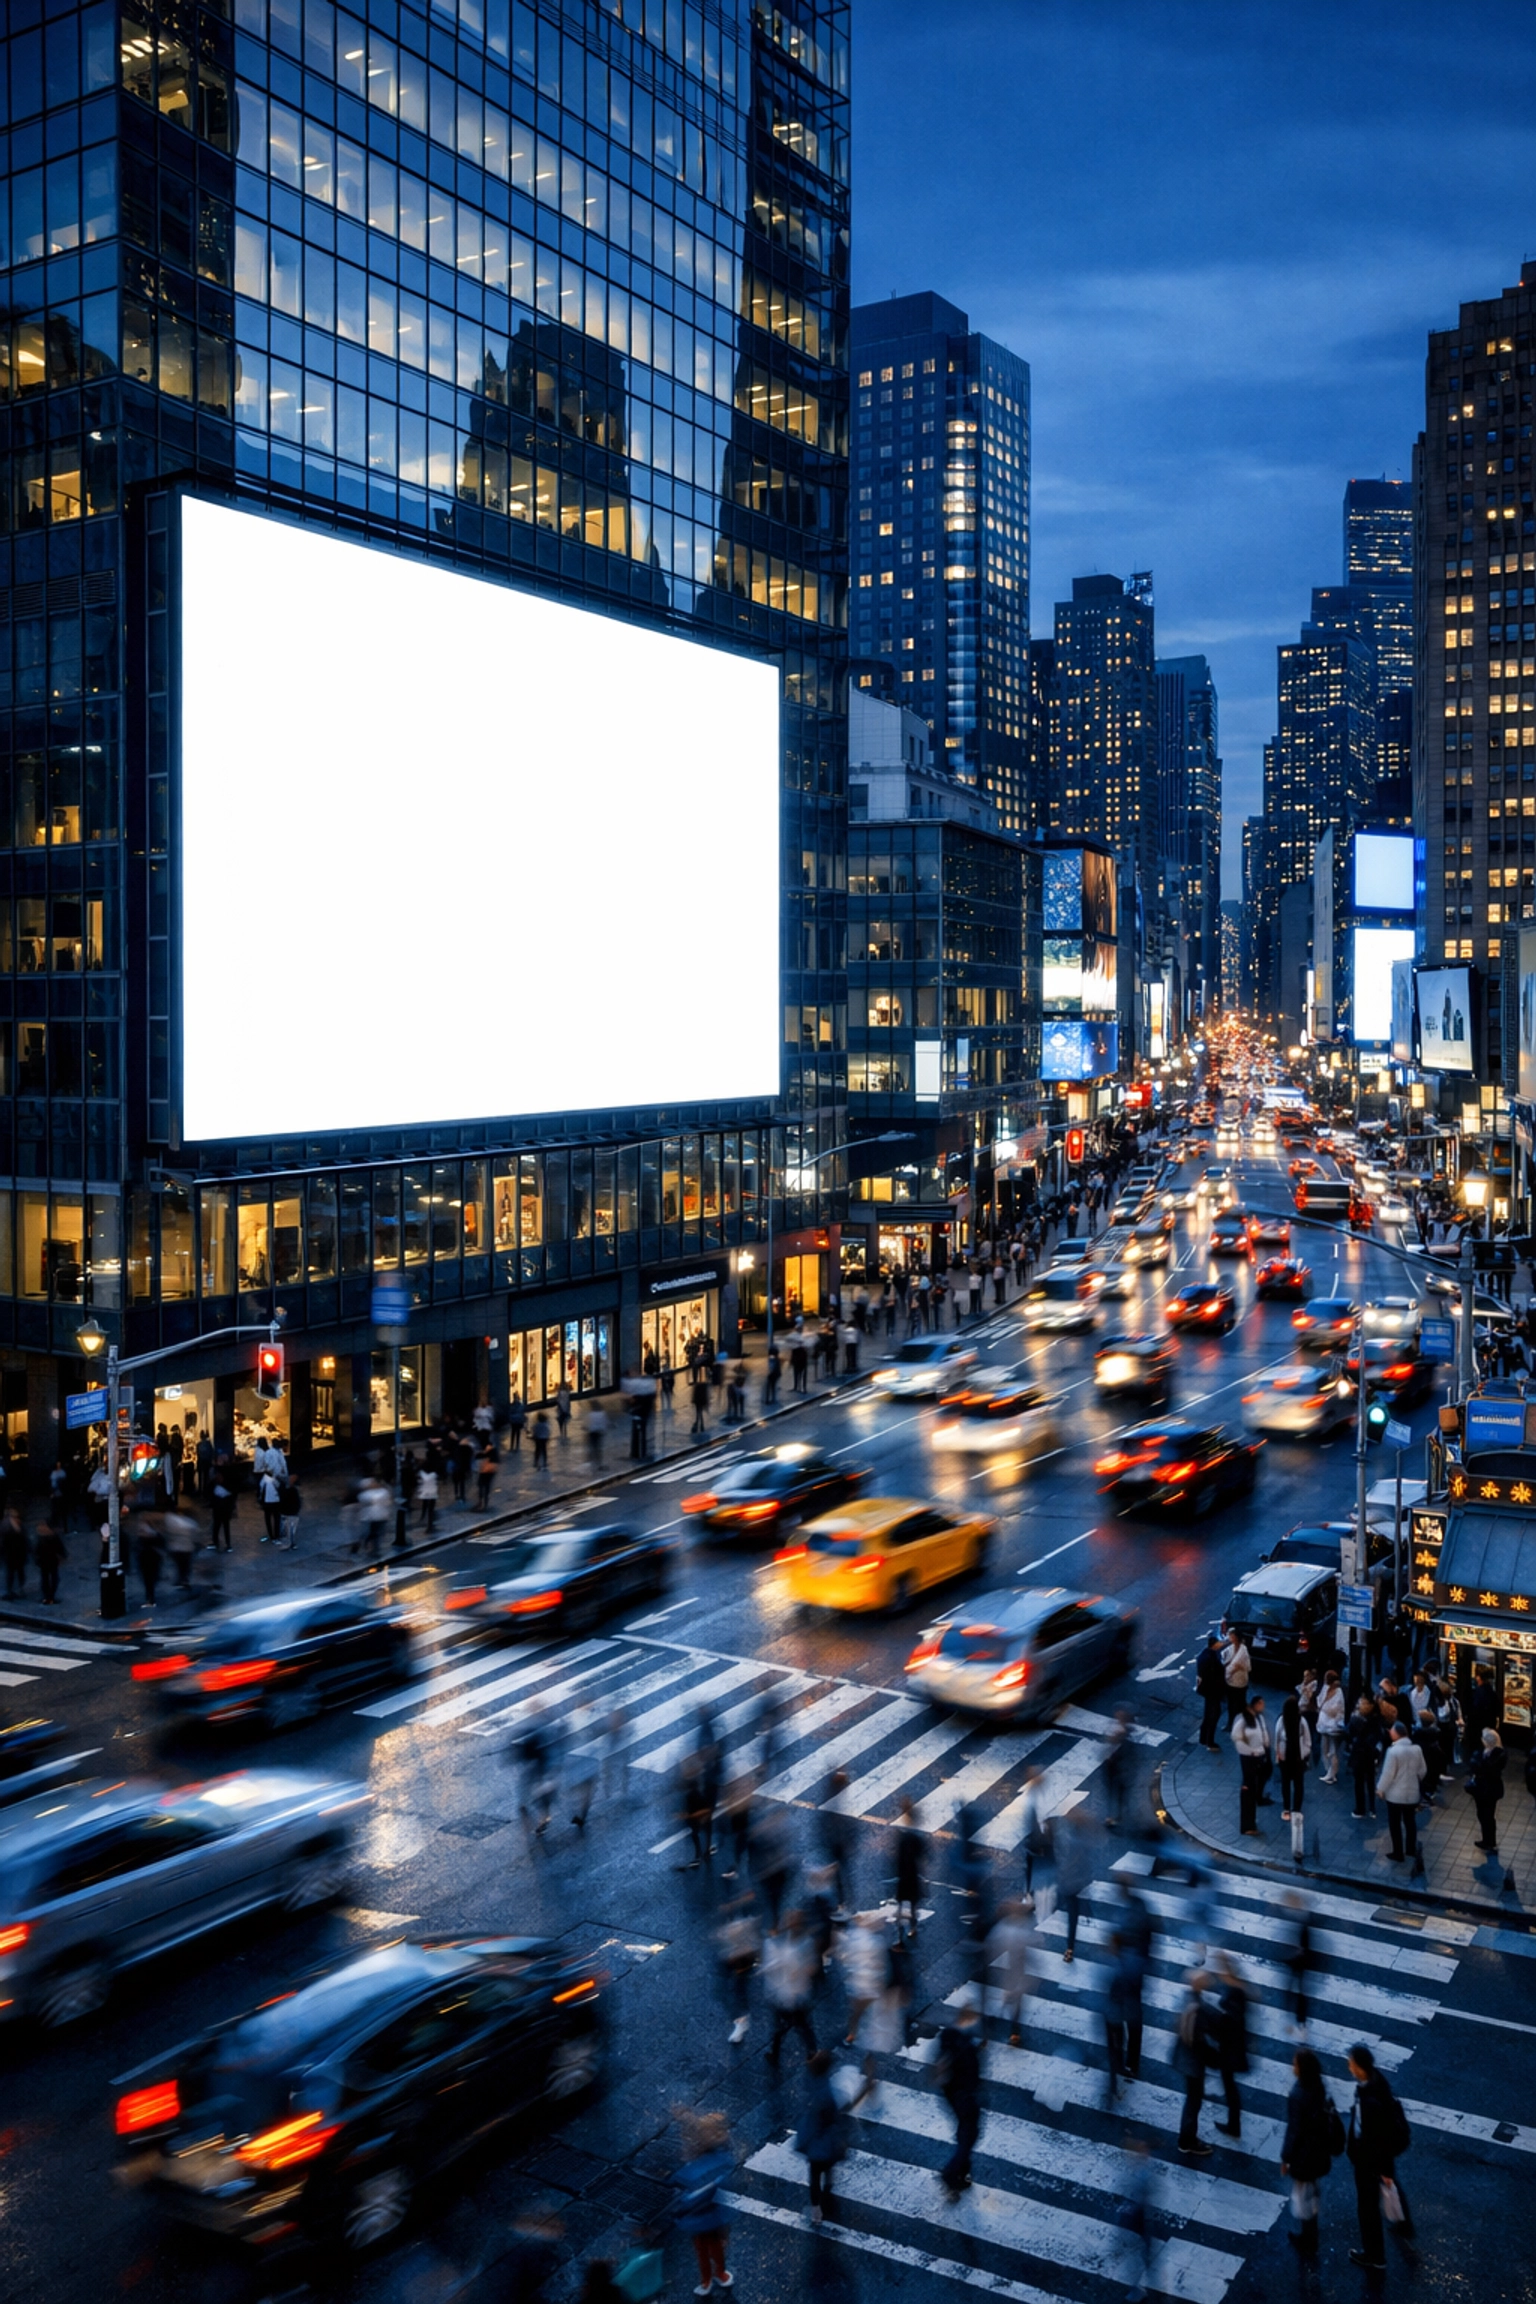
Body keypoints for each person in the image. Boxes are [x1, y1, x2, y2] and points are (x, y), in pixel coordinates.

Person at [1345, 2042, 1414, 2273]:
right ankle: (1403, 2225)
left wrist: (1383, 2169)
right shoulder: (1375, 2081)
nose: (1348, 2065)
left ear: (1359, 2067)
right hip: (1375, 2161)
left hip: (1369, 2163)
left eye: (1351, 2062)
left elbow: (1378, 2139)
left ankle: (1375, 2256)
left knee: (1367, 2210)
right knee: (1385, 2192)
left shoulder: (1370, 2102)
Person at [1280, 2045, 1338, 2260]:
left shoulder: (1298, 2094)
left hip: (1304, 2154)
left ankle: (1308, 2239)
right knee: (1311, 2190)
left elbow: (1294, 2130)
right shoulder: (1318, 2086)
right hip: (1318, 2150)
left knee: (1304, 2195)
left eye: (1295, 2063)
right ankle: (1310, 2234)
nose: (1293, 2067)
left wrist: (1286, 2158)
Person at [672, 2109, 735, 2298]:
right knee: (716, 2249)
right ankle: (721, 2275)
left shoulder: (691, 2169)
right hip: (714, 2218)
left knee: (702, 2251)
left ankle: (706, 2280)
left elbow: (684, 2197)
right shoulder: (720, 2162)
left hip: (697, 2220)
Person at [795, 2048, 849, 2225]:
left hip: (813, 2142)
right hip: (826, 2142)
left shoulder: (810, 2083)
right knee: (827, 2168)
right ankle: (828, 2190)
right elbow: (833, 2116)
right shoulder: (828, 2091)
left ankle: (816, 2211)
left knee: (814, 2176)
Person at [935, 1999, 983, 2196]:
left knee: (966, 2133)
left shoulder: (948, 2035)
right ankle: (951, 2173)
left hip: (951, 2092)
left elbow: (941, 2065)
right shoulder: (964, 2043)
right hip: (965, 2095)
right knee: (968, 2136)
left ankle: (962, 2174)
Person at [762, 1911, 818, 2067]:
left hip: (795, 1994)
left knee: (791, 2027)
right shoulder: (787, 1941)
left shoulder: (804, 1943)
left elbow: (812, 1967)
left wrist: (799, 1970)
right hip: (787, 1994)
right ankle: (811, 2052)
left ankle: (778, 2053)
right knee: (799, 2026)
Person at [1174, 1970, 1216, 2156]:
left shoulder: (1186, 1999)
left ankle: (1187, 2139)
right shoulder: (1198, 2009)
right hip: (1193, 2063)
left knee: (1192, 2100)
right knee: (1193, 2101)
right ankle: (1187, 2141)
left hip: (1184, 2058)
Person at [1212, 1950, 1250, 2138]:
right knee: (1229, 2086)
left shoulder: (1236, 1991)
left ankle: (1233, 2126)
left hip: (1231, 2049)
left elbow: (1233, 2021)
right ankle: (1233, 2123)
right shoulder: (1236, 1987)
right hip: (1232, 2046)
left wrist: (1218, 2022)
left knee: (1230, 2087)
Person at [1376, 1721, 1427, 1860]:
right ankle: (1410, 1849)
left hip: (1395, 1796)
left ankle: (1398, 1852)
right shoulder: (1417, 1749)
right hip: (1412, 1794)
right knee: (1410, 1822)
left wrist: (1380, 1789)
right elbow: (1423, 1770)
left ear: (1397, 1734)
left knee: (1395, 1824)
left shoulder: (1393, 1751)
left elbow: (1388, 1774)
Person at [989, 1898, 1034, 2050]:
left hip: (1012, 1971)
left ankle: (1011, 2031)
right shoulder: (1017, 1930)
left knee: (1010, 2001)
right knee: (1013, 2002)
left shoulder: (1005, 1930)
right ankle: (1014, 2032)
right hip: (1012, 1971)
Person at [1232, 1701, 1270, 1836]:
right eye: (1260, 1703)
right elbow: (1237, 1738)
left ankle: (1251, 1822)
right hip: (1249, 1759)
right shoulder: (1242, 1720)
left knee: (1253, 1787)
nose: (1262, 1706)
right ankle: (1247, 1826)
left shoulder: (1258, 1718)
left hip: (1258, 1756)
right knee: (1248, 1789)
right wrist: (1251, 1750)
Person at [1467, 1726, 1507, 1851]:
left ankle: (1489, 1841)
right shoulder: (1490, 1752)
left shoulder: (1497, 1755)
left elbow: (1487, 1769)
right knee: (1485, 1815)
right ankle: (1488, 1839)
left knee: (1487, 1815)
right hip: (1486, 1788)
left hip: (1488, 1789)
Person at [1276, 1691, 1311, 1822]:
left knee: (1298, 1785)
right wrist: (1278, 1755)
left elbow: (1307, 1740)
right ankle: (1286, 1808)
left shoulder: (1302, 1722)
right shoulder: (1281, 1720)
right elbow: (1277, 1739)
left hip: (1298, 1758)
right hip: (1285, 1759)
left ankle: (1296, 1809)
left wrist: (1304, 1753)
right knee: (1285, 1784)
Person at [1345, 1696, 1382, 1820]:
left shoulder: (1358, 1719)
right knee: (1368, 1781)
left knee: (1360, 1783)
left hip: (1361, 1754)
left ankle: (1361, 1809)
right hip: (1368, 1754)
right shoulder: (1375, 1719)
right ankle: (1371, 1808)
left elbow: (1349, 1733)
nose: (1360, 1704)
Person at [894, 1796, 923, 1937]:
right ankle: (913, 1928)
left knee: (900, 1904)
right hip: (913, 1876)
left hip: (903, 1877)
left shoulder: (902, 1838)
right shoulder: (916, 1838)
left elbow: (897, 1859)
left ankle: (899, 1934)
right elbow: (922, 1856)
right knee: (912, 1905)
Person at [1195, 1634, 1225, 1751]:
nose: (1221, 1644)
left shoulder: (1203, 1655)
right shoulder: (1211, 1659)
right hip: (1213, 1691)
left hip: (1206, 1690)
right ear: (1215, 1644)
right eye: (1219, 1643)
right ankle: (1210, 1741)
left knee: (1208, 1714)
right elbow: (1217, 1675)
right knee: (1214, 1714)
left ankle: (1203, 1738)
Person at [1316, 1670, 1346, 1784]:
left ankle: (1331, 1773)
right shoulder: (1325, 1688)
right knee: (1324, 1748)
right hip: (1323, 1724)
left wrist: (1325, 1709)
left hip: (1333, 1726)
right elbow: (1319, 1701)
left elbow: (1337, 1709)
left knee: (1333, 1750)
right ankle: (1329, 1771)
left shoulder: (1339, 1692)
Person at [1221, 1626, 1252, 1724]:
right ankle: (1231, 1722)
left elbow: (1233, 1667)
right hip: (1231, 1682)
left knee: (1240, 1704)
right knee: (1231, 1705)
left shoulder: (1243, 1651)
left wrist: (1223, 1676)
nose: (1229, 1638)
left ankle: (1243, 1722)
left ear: (1236, 1637)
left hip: (1239, 1682)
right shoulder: (1231, 1647)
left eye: (1231, 1636)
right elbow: (1224, 1655)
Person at [33, 1516, 65, 1605]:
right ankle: (50, 1596)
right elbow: (59, 1547)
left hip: (43, 1561)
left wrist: (37, 1559)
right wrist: (63, 1555)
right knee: (54, 1578)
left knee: (45, 1579)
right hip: (51, 1560)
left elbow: (36, 1549)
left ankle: (47, 1597)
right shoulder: (52, 1536)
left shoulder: (40, 1536)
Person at [135, 1515, 164, 1605]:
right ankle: (150, 1596)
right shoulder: (156, 1536)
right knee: (150, 1580)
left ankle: (150, 1596)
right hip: (151, 1560)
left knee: (148, 1580)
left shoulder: (142, 1539)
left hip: (147, 1560)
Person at [1, 1507, 27, 1598]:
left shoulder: (20, 1525)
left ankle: (19, 1588)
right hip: (10, 1554)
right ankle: (10, 1590)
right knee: (11, 1573)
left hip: (19, 1554)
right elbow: (3, 1542)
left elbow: (24, 1538)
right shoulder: (5, 1526)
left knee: (19, 1572)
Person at [257, 1462, 283, 1544]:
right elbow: (279, 1487)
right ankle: (276, 1536)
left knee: (268, 1519)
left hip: (266, 1502)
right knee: (276, 1519)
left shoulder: (263, 1480)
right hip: (275, 1501)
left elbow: (260, 1491)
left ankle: (271, 1536)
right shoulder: (274, 1480)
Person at [277, 1476, 301, 1551]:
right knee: (291, 1529)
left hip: (286, 1512)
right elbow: (297, 1502)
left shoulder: (283, 1491)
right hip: (292, 1512)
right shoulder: (293, 1491)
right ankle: (291, 1543)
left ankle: (288, 1544)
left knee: (286, 1529)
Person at [415, 1462, 438, 1532]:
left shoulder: (422, 1473)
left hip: (425, 1493)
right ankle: (429, 1524)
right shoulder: (434, 1474)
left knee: (426, 1507)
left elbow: (418, 1481)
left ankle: (425, 1518)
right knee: (431, 1509)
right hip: (432, 1493)